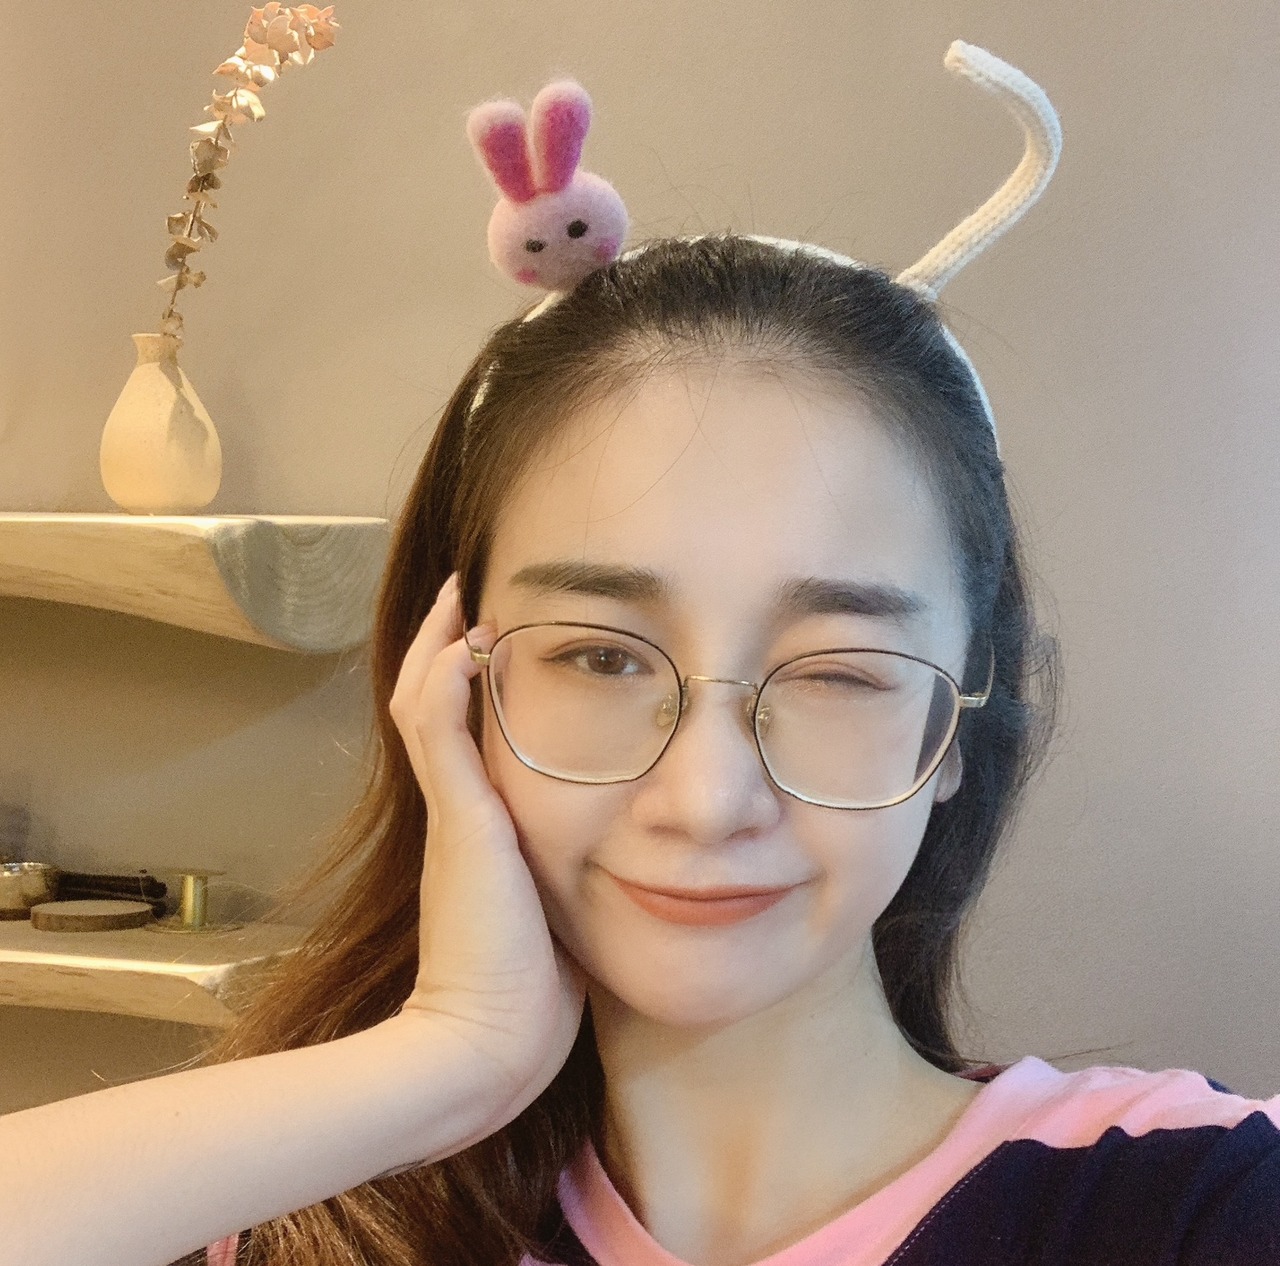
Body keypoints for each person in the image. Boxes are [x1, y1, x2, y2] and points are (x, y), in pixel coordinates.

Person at [3, 43, 1278, 1266]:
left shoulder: (1191, 1199)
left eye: (837, 669)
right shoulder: (302, 1225)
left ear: (957, 728)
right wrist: (444, 1058)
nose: (707, 800)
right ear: (453, 687)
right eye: (601, 658)